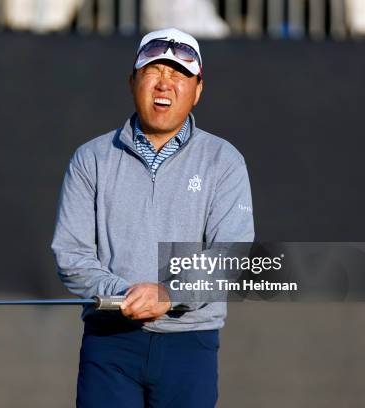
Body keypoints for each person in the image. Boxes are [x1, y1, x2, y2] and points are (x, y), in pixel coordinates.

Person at [51, 27, 254, 408]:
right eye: (154, 71)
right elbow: (71, 255)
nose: (165, 83)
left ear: (198, 90)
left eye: (179, 74)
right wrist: (124, 295)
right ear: (133, 81)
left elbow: (230, 255)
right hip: (111, 341)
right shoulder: (91, 158)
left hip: (190, 344)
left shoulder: (223, 161)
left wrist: (167, 292)